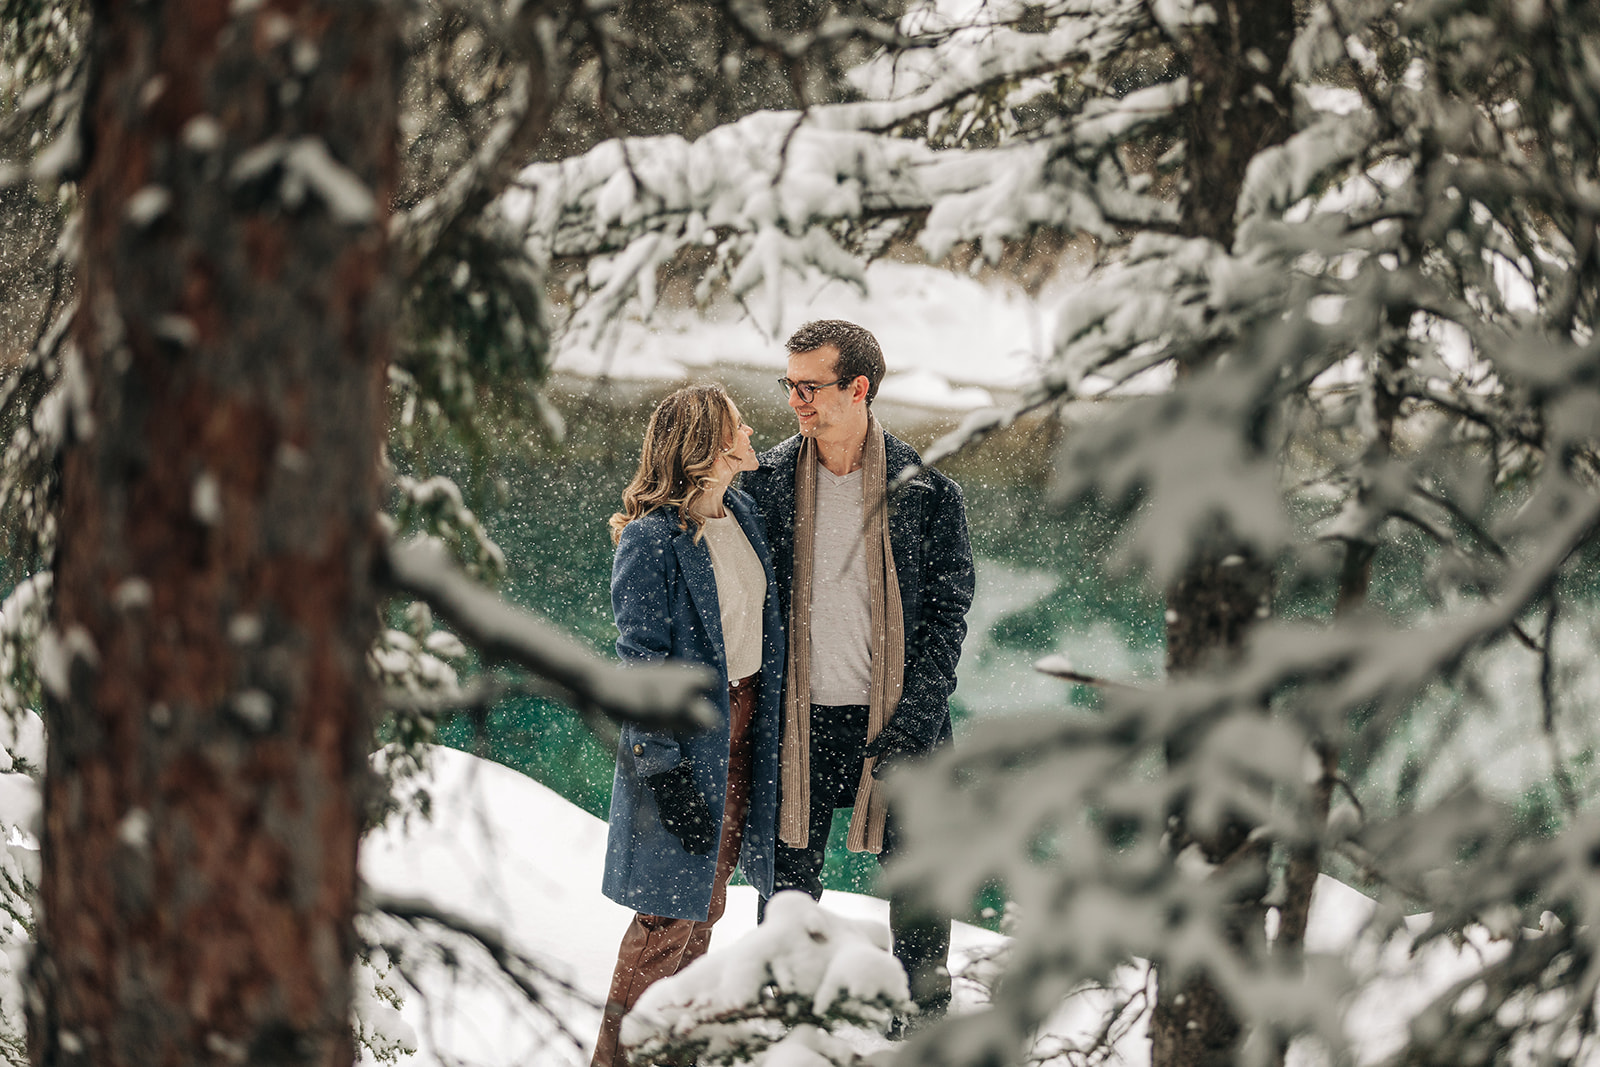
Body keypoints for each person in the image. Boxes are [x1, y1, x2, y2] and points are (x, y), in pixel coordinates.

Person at [741, 319, 975, 1027]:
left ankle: (924, 1020)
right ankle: (789, 1016)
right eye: (789, 386)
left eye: (810, 388)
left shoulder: (927, 492)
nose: (795, 402)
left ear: (858, 388)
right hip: (798, 723)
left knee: (922, 885)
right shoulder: (766, 484)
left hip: (900, 722)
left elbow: (947, 616)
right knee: (787, 889)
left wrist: (917, 718)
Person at [591, 384, 785, 1067]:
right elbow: (640, 665)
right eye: (739, 424)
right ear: (709, 445)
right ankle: (616, 1059)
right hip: (685, 743)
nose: (751, 431)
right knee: (664, 918)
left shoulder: (744, 514)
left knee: (706, 905)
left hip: (746, 731)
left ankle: (670, 1054)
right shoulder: (650, 540)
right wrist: (666, 773)